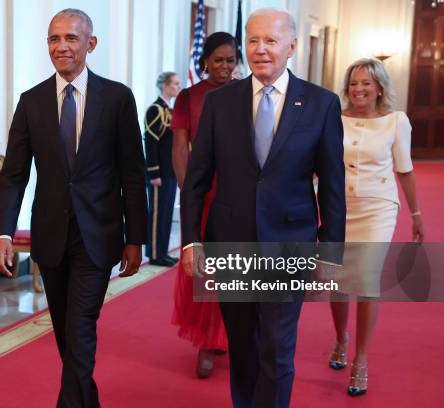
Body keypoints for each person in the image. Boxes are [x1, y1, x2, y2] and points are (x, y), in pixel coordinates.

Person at [181, 8, 346, 408]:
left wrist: (331, 250)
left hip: (289, 244)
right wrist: (191, 242)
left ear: (291, 47)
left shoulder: (321, 104)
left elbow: (333, 184)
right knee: (243, 345)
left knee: (276, 346)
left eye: (270, 41)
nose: (260, 49)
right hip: (231, 243)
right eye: (253, 41)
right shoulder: (220, 102)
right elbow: (197, 178)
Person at [0, 9, 147, 408]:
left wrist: (136, 239)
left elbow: (133, 173)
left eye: (71, 39)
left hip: (98, 235)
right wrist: (4, 232)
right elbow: (13, 174)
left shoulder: (117, 98)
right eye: (53, 39)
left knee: (80, 327)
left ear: (90, 44)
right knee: (64, 329)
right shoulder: (31, 102)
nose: (61, 46)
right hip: (51, 235)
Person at [328, 58, 424, 396]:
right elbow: (318, 165)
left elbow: (405, 169)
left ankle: (361, 360)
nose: (358, 89)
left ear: (379, 86)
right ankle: (341, 337)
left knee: (367, 280)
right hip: (338, 208)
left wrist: (415, 214)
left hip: (378, 208)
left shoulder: (396, 122)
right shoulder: (333, 118)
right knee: (338, 280)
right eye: (354, 83)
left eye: (366, 83)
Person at [171, 32, 237, 378]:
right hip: (204, 191)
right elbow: (180, 147)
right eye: (218, 60)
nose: (225, 67)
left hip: (240, 191)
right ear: (205, 61)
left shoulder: (246, 92)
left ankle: (232, 333)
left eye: (230, 60)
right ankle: (207, 341)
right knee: (208, 265)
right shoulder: (188, 98)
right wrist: (189, 191)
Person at [145, 71, 181, 267]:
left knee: (166, 213)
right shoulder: (155, 110)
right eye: (175, 83)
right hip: (159, 173)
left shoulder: (170, 110)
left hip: (170, 171)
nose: (178, 86)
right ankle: (154, 254)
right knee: (157, 214)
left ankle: (163, 251)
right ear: (165, 86)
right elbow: (150, 143)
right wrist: (154, 172)